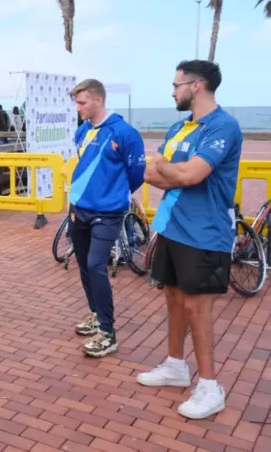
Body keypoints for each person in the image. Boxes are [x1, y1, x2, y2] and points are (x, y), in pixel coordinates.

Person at [137, 60, 240, 420]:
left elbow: (193, 174)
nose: (172, 90)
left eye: (177, 84)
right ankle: (176, 366)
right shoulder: (180, 127)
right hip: (171, 226)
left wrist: (170, 169)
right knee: (174, 298)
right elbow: (152, 173)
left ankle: (211, 386)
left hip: (205, 232)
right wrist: (171, 171)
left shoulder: (222, 125)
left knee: (199, 307)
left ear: (196, 86)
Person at [68, 79, 145, 358]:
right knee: (84, 265)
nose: (78, 108)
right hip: (79, 209)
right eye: (76, 103)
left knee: (96, 264)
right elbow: (84, 167)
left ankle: (108, 332)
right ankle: (95, 313)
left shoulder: (125, 133)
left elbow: (136, 173)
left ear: (98, 100)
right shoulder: (82, 131)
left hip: (108, 212)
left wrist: (114, 195)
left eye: (82, 103)